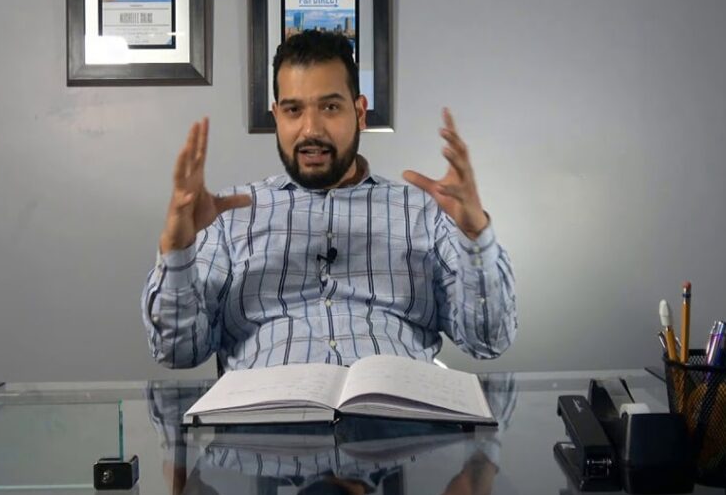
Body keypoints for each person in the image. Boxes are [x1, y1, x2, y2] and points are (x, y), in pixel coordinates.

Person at [141, 30, 516, 370]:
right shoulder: (225, 216)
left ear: (360, 112)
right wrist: (177, 249)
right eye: (293, 110)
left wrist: (474, 235)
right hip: (263, 430)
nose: (311, 129)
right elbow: (178, 352)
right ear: (276, 117)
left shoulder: (424, 213)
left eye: (330, 107)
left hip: (401, 426)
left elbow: (487, 341)